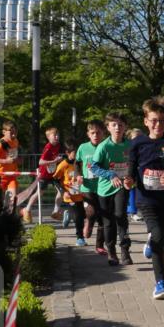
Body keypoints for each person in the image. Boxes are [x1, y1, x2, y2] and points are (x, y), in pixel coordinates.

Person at [125, 96, 164, 300]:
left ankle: (153, 241)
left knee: (162, 238)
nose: (157, 124)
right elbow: (132, 168)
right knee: (159, 236)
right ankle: (160, 283)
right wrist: (129, 179)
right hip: (146, 198)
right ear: (145, 121)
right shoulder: (137, 143)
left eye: (162, 120)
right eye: (153, 120)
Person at [90, 112, 133, 266]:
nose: (117, 128)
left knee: (120, 215)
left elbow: (134, 165)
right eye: (114, 125)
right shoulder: (104, 146)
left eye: (121, 125)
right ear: (108, 127)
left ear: (125, 127)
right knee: (108, 222)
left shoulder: (130, 145)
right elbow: (93, 167)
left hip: (122, 186)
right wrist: (110, 175)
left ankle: (125, 249)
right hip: (104, 189)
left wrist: (130, 177)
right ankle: (111, 252)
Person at [17, 127, 64, 223]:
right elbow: (41, 162)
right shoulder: (48, 147)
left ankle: (55, 211)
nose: (56, 136)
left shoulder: (59, 145)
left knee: (61, 190)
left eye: (57, 134)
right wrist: (54, 161)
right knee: (40, 193)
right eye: (54, 135)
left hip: (54, 173)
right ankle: (27, 209)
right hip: (45, 174)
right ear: (48, 137)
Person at [76, 120, 107, 256]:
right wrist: (78, 175)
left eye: (98, 133)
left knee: (103, 217)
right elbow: (77, 163)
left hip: (103, 186)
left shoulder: (107, 146)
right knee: (93, 212)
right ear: (88, 134)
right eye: (93, 133)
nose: (95, 135)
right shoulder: (83, 147)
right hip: (87, 187)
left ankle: (100, 246)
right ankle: (88, 220)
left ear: (103, 133)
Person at [53, 142, 87, 245]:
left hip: (81, 194)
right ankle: (80, 238)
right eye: (75, 153)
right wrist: (63, 192)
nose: (77, 155)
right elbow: (55, 180)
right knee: (78, 217)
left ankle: (68, 214)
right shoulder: (63, 165)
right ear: (67, 153)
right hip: (70, 196)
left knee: (84, 215)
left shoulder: (80, 163)